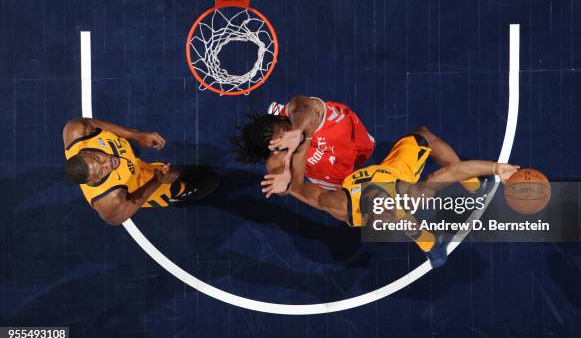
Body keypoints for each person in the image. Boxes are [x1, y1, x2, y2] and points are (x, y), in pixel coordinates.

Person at [261, 126, 518, 267]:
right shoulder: (410, 194)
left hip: (388, 184)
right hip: (396, 173)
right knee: (424, 136)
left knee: (412, 221)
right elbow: (452, 171)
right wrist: (495, 168)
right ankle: (474, 191)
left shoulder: (338, 203)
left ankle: (432, 245)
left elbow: (298, 187)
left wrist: (285, 171)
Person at [63, 118, 218, 225]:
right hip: (146, 185)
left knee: (182, 170)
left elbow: (91, 122)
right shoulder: (107, 201)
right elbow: (120, 216)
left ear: (83, 153)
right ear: (93, 181)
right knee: (211, 181)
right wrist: (157, 181)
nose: (108, 164)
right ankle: (180, 194)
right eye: (101, 172)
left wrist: (136, 135)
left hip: (141, 167)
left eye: (97, 159)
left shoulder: (76, 131)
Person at [231, 96, 375, 191]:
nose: (286, 137)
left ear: (282, 118)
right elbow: (283, 184)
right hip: (333, 173)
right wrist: (286, 186)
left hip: (347, 136)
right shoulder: (276, 156)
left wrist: (296, 130)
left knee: (369, 149)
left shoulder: (295, 108)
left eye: (285, 130)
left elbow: (307, 107)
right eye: (280, 140)